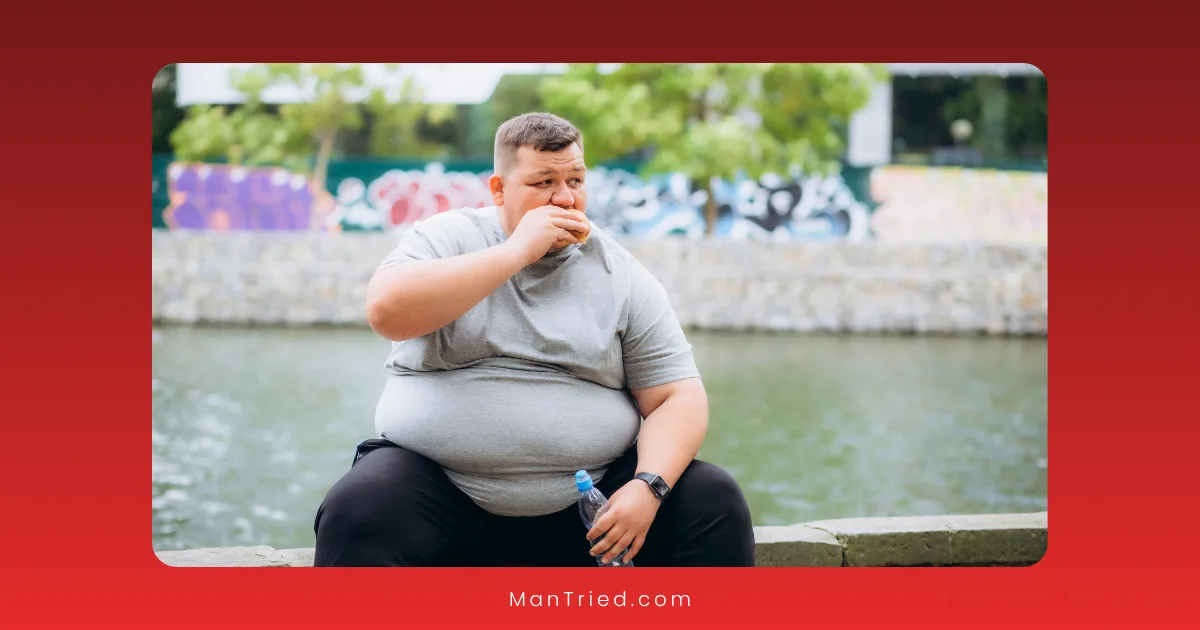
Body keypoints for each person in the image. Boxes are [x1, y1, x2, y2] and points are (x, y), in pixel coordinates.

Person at [313, 112, 755, 567]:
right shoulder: (446, 237)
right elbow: (387, 312)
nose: (565, 198)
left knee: (712, 499)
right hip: (439, 494)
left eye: (575, 180)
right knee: (359, 508)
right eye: (544, 182)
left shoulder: (619, 271)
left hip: (590, 509)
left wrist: (648, 487)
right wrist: (516, 251)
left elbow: (677, 396)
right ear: (499, 190)